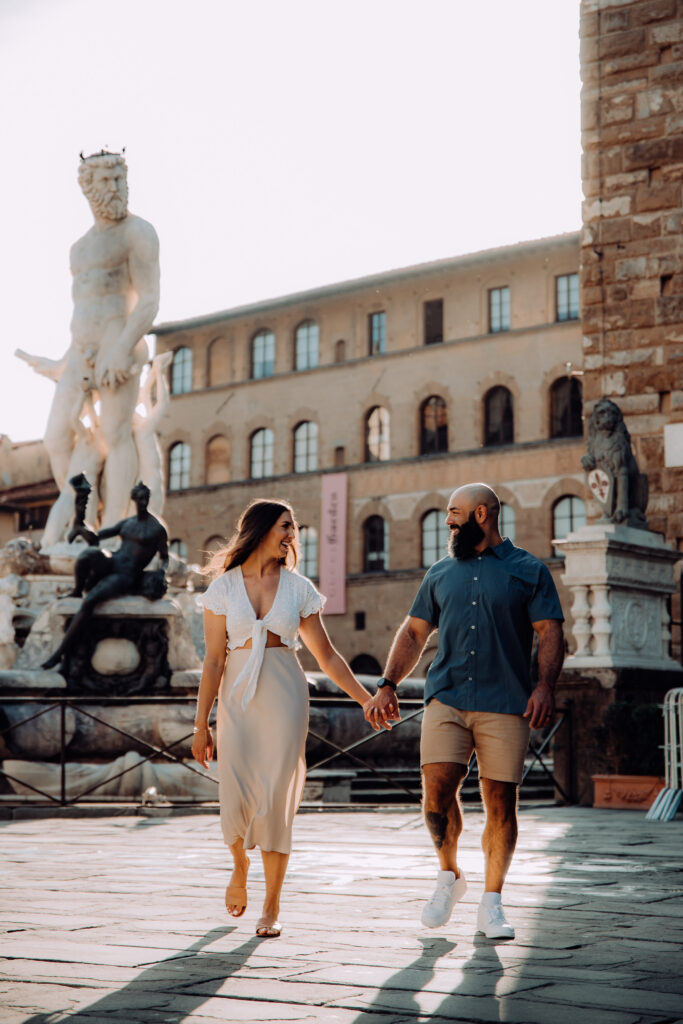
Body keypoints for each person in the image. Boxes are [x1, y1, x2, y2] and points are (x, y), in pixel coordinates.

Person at [365, 483, 564, 939]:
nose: (447, 520)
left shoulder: (528, 570)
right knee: (435, 794)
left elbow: (550, 633)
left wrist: (544, 686)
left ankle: (491, 902)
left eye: (454, 513)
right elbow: (414, 634)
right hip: (446, 698)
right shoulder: (439, 573)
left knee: (500, 804)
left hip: (506, 703)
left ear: (481, 514)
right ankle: (449, 876)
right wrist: (387, 684)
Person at [192, 499, 385, 938]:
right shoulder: (222, 589)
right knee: (236, 787)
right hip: (236, 697)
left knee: (278, 794)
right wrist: (201, 725)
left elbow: (329, 656)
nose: (291, 535)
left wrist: (365, 700)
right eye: (285, 526)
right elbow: (212, 663)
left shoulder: (298, 588)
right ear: (261, 529)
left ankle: (272, 906)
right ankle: (239, 864)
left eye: (293, 528)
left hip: (284, 692)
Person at [19, 150, 160, 543]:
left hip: (120, 342)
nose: (115, 188)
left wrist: (122, 348)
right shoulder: (79, 249)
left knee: (115, 435)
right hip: (80, 350)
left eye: (119, 179)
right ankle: (84, 513)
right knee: (57, 437)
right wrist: (60, 363)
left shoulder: (138, 232)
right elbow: (85, 310)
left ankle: (113, 527)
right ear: (87, 188)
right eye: (105, 181)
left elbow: (148, 299)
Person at [41, 482, 168, 669]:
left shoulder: (157, 528)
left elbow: (164, 557)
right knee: (87, 555)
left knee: (90, 601)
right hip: (114, 561)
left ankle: (60, 653)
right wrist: (81, 524)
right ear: (133, 499)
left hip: (127, 574)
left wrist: (161, 571)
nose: (143, 501)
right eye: (139, 498)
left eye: (145, 498)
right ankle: (76, 590)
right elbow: (97, 537)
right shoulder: (128, 523)